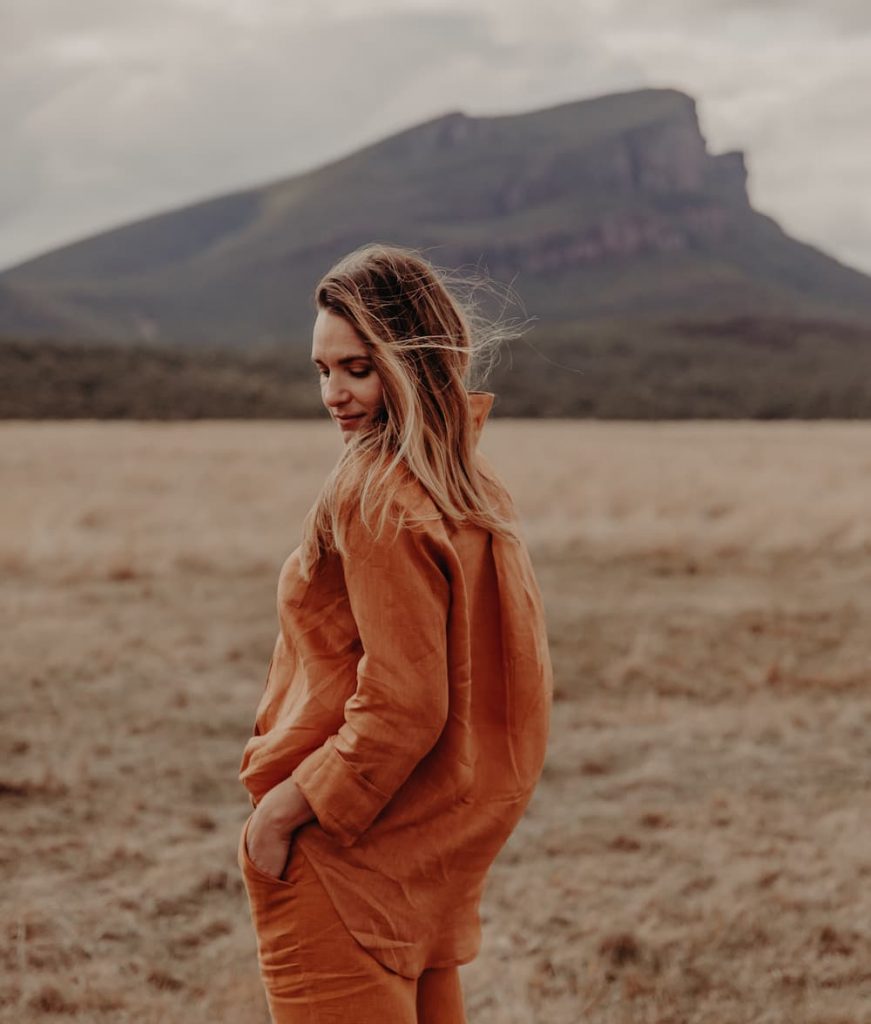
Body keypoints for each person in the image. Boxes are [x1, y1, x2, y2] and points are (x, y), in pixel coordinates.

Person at [237, 243, 553, 1023]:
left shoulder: (374, 496)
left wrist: (283, 812)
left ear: (415, 365)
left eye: (358, 368)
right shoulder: (472, 492)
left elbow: (405, 702)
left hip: (346, 858)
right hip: (424, 857)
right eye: (322, 371)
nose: (335, 395)